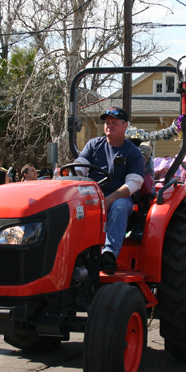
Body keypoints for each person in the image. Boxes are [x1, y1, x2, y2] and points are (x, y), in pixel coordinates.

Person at [73, 106, 145, 273]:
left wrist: (109, 200)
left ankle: (109, 254)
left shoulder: (133, 153)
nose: (109, 126)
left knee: (119, 207)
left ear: (125, 126)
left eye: (114, 122)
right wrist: (73, 175)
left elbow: (133, 184)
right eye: (107, 122)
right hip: (92, 194)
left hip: (120, 198)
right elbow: (80, 167)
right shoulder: (93, 145)